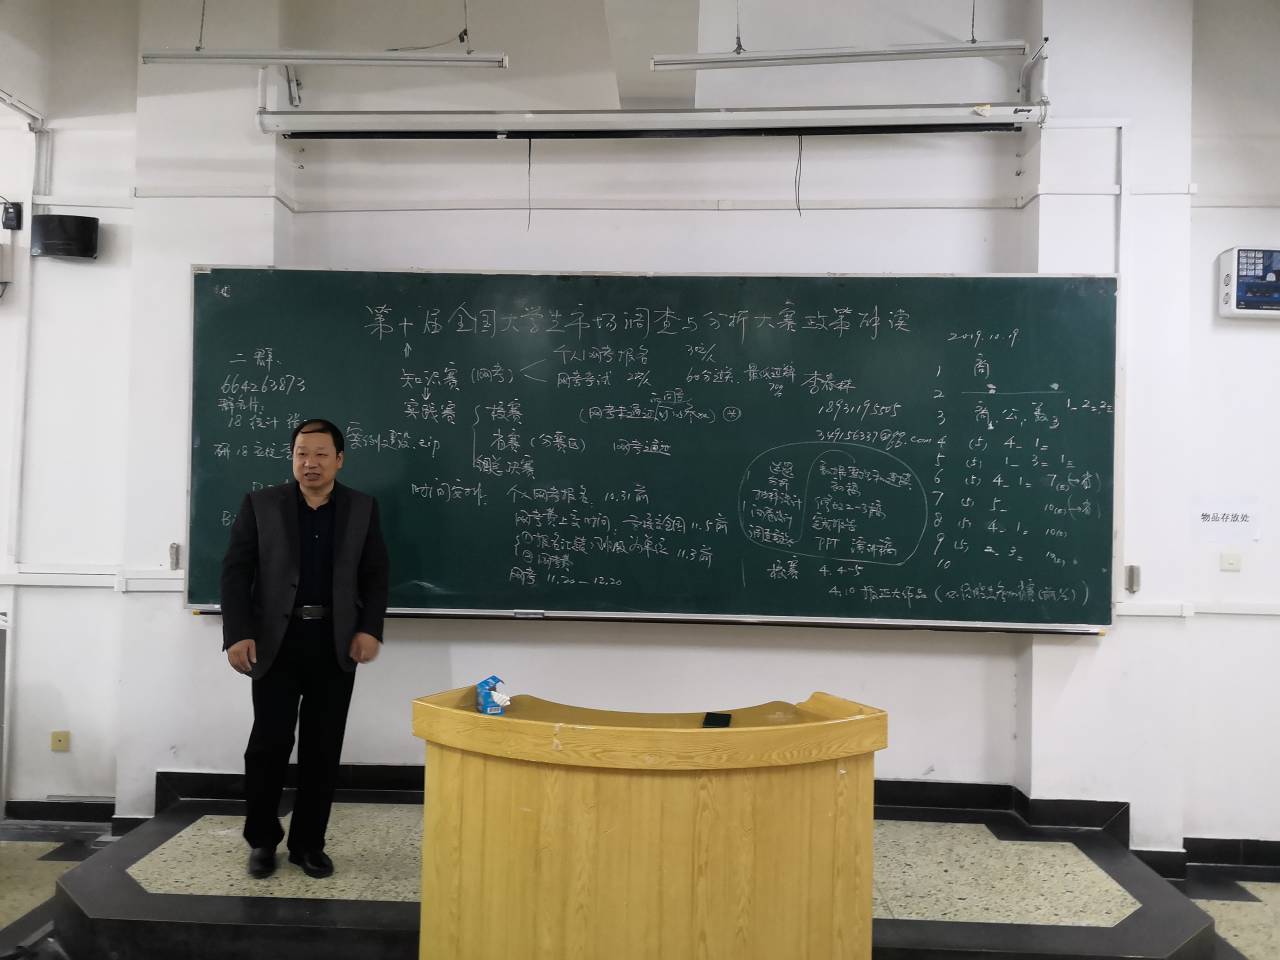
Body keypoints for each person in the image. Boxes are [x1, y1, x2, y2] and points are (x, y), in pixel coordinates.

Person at [220, 418, 389, 879]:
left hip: (334, 642)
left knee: (322, 748)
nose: (309, 463)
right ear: (292, 457)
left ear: (339, 459)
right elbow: (236, 572)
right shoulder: (261, 505)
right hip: (275, 643)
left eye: (320, 454)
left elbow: (375, 574)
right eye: (301, 453)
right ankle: (262, 840)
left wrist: (369, 628)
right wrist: (237, 633)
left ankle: (308, 845)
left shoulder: (361, 508)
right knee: (268, 746)